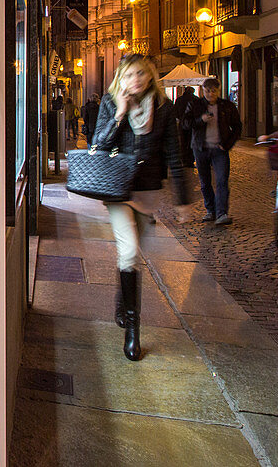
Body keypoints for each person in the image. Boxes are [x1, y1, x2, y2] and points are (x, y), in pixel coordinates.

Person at [90, 54, 192, 361]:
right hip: (118, 189)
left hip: (148, 190)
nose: (136, 80)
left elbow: (175, 154)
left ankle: (124, 296)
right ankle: (133, 331)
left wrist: (183, 200)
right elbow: (99, 144)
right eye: (130, 74)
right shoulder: (110, 103)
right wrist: (120, 113)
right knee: (130, 251)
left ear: (150, 78)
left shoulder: (163, 109)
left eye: (142, 75)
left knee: (132, 256)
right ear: (121, 77)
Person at [184, 77, 241, 225]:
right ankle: (211, 210)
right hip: (200, 148)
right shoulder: (195, 105)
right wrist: (201, 120)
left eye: (213, 91)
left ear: (218, 90)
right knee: (205, 182)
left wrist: (227, 145)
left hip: (219, 149)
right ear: (203, 91)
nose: (210, 94)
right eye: (208, 91)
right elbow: (185, 123)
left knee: (222, 181)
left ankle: (222, 213)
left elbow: (237, 127)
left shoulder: (226, 106)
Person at [172, 86, 197, 170]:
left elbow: (175, 112)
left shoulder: (179, 100)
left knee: (183, 142)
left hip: (182, 124)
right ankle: (190, 161)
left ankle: (183, 160)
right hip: (192, 124)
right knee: (191, 142)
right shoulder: (195, 99)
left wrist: (181, 118)